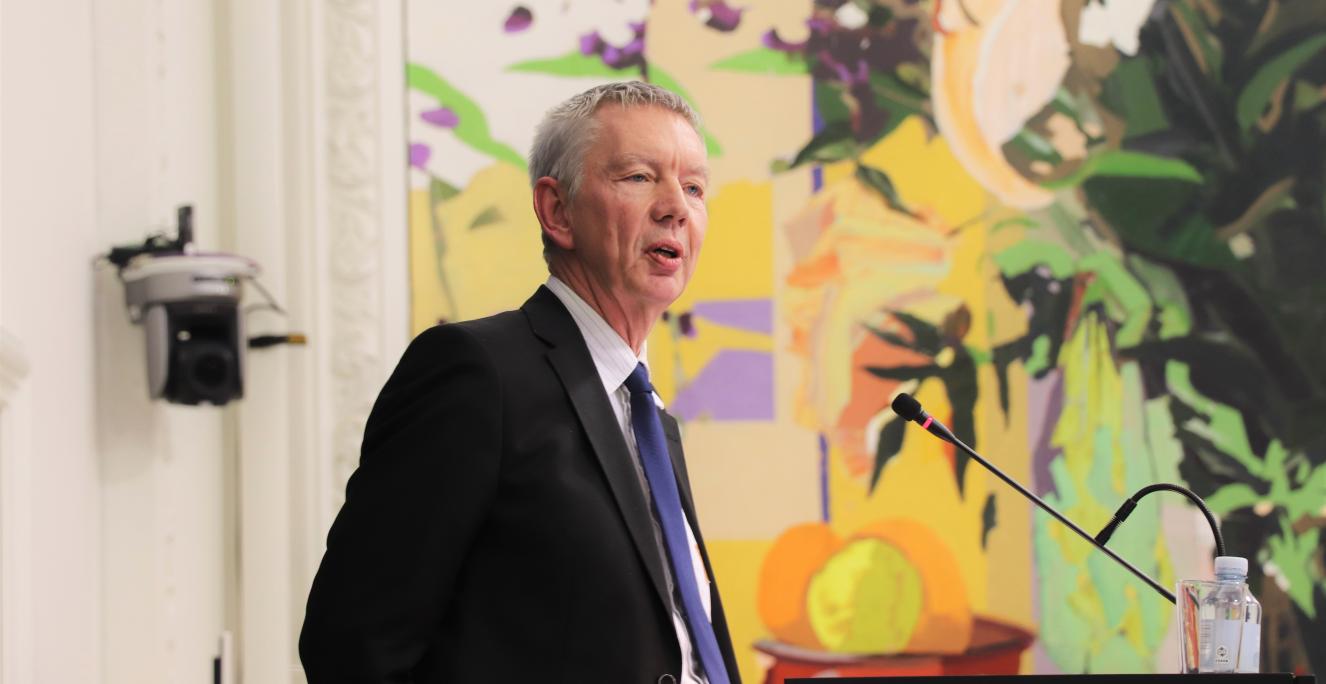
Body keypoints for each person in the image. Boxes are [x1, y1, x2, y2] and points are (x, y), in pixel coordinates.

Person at [299, 81, 742, 684]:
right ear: (557, 211)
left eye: (694, 187)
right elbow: (353, 644)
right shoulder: (477, 373)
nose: (676, 207)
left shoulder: (647, 413)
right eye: (639, 177)